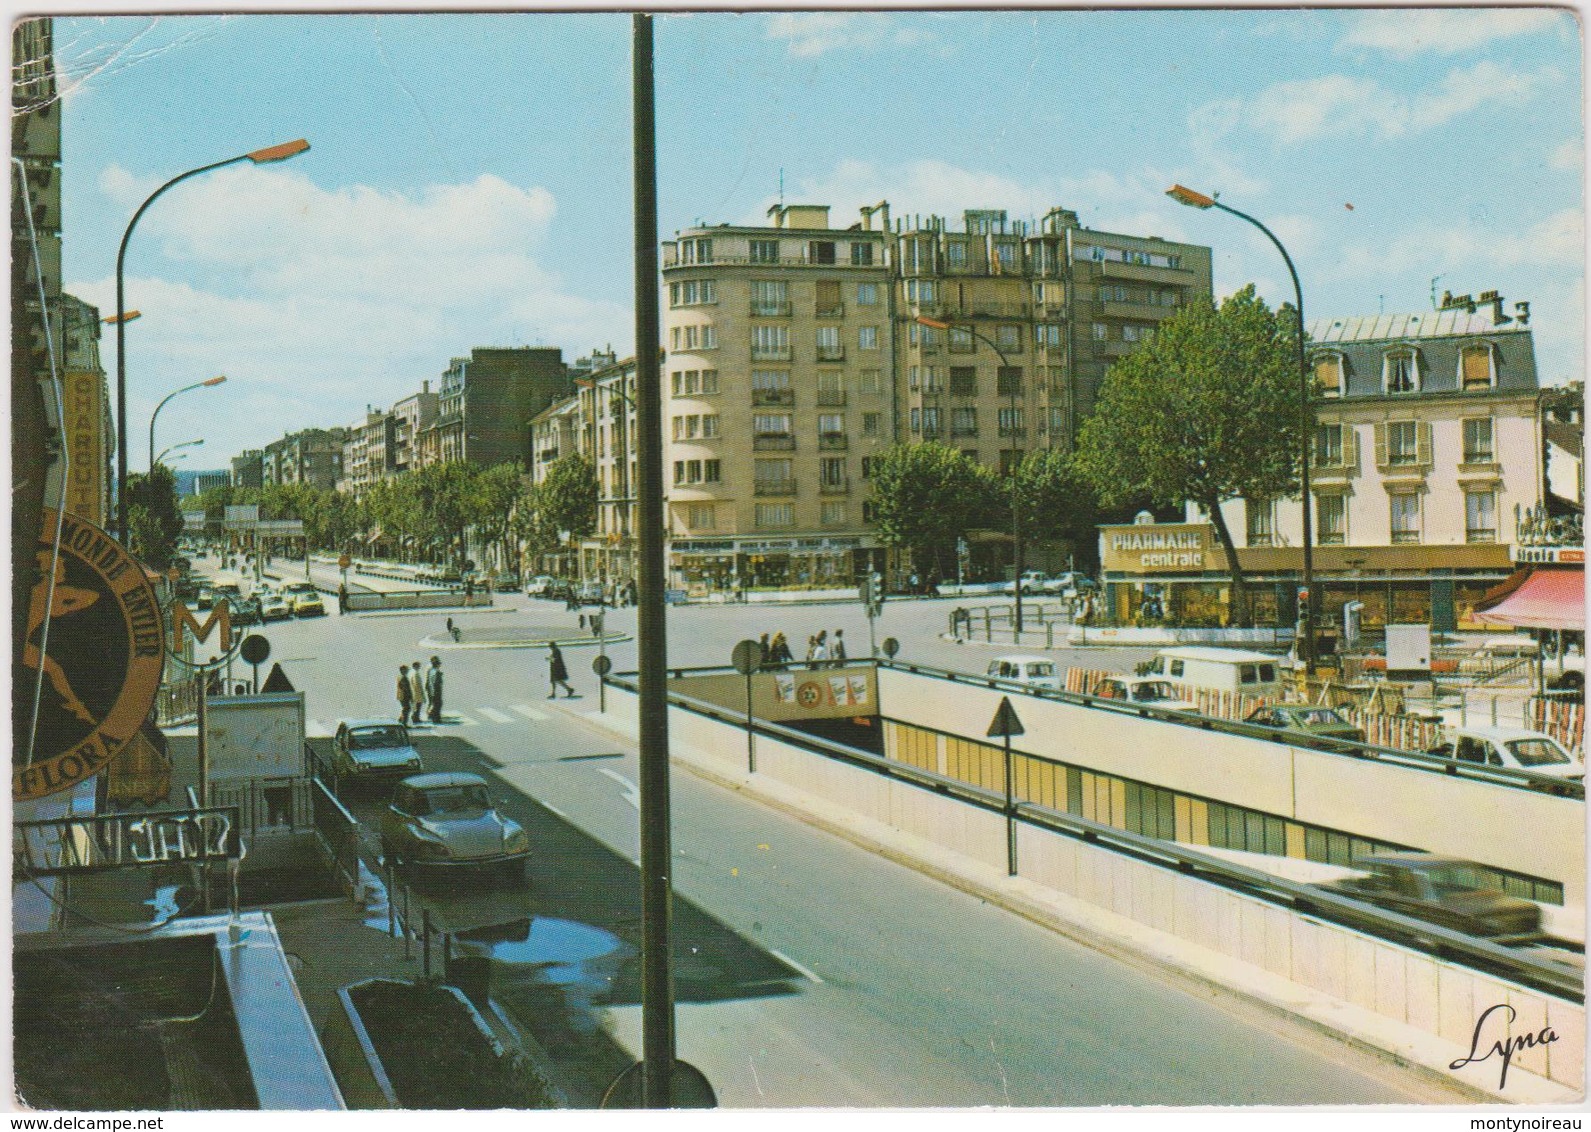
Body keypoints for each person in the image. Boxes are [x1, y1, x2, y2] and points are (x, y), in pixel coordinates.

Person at [425, 656, 444, 724]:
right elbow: (436, 683)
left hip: (433, 691)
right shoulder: (435, 672)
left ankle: (433, 716)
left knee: (435, 704)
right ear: (436, 664)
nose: (440, 665)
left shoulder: (432, 671)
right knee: (437, 705)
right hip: (436, 692)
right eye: (439, 664)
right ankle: (436, 718)